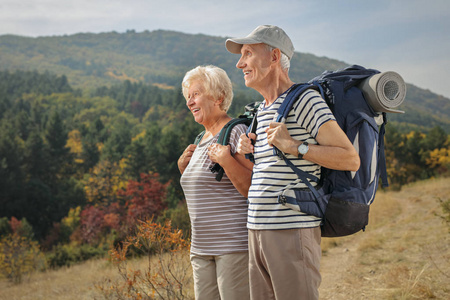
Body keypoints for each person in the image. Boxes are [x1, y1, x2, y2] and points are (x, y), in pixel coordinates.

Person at [225, 25, 361, 300]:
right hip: (257, 229)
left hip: (290, 230)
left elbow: (350, 158)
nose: (240, 63)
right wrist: (246, 154)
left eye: (248, 54)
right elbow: (273, 172)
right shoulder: (261, 109)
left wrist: (295, 146)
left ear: (274, 57)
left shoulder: (305, 100)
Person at [178, 65, 252, 300]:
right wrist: (183, 169)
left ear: (218, 97)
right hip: (200, 249)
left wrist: (227, 160)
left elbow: (252, 188)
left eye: (196, 94)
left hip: (232, 246)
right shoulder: (201, 139)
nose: (190, 102)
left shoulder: (235, 130)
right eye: (188, 96)